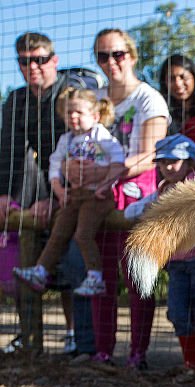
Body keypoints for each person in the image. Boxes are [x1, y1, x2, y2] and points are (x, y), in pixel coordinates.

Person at [1, 32, 96, 356]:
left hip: (75, 186)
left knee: (71, 258)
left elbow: (80, 146)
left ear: (53, 60)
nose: (33, 67)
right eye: (25, 61)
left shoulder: (69, 94)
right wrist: (7, 196)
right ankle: (29, 336)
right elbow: (12, 151)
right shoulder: (16, 100)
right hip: (38, 183)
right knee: (19, 251)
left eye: (40, 59)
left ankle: (74, 334)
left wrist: (55, 197)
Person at [90, 28, 170, 368]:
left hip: (139, 190)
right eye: (102, 56)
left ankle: (138, 352)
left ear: (132, 56)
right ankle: (102, 350)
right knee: (101, 274)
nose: (111, 62)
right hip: (100, 191)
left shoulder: (148, 99)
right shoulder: (95, 98)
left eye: (118, 54)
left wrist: (116, 170)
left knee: (137, 276)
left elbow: (150, 154)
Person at [124, 134, 195, 374]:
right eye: (162, 162)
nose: (167, 167)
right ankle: (191, 364)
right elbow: (135, 211)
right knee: (177, 312)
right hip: (177, 263)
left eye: (174, 161)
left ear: (190, 162)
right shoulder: (164, 190)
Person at [13, 88, 124, 298]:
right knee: (58, 231)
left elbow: (119, 163)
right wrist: (59, 190)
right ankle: (40, 271)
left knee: (82, 234)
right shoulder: (67, 140)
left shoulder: (102, 136)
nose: (73, 117)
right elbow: (54, 165)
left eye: (79, 112)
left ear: (95, 115)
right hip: (74, 195)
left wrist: (105, 184)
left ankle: (95, 277)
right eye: (69, 113)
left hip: (98, 197)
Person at [158, 54, 195, 134]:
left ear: (194, 77)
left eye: (183, 77)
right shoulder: (162, 111)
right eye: (171, 79)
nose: (178, 84)